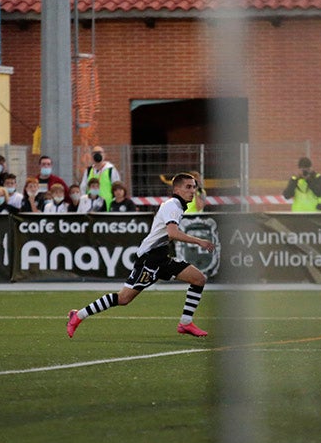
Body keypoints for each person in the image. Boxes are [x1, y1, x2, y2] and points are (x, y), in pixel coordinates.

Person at [67, 172, 216, 339]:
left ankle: (186, 322)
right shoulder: (172, 205)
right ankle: (78, 315)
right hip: (149, 259)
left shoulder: (178, 206)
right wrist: (199, 241)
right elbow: (173, 233)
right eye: (188, 187)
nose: (192, 190)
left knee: (198, 279)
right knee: (123, 298)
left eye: (194, 187)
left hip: (161, 257)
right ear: (177, 189)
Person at [79, 145, 121, 212]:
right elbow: (83, 187)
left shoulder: (111, 170)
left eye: (99, 152)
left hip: (107, 206)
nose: (97, 154)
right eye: (94, 153)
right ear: (91, 156)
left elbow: (117, 187)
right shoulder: (88, 170)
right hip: (90, 207)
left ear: (104, 155)